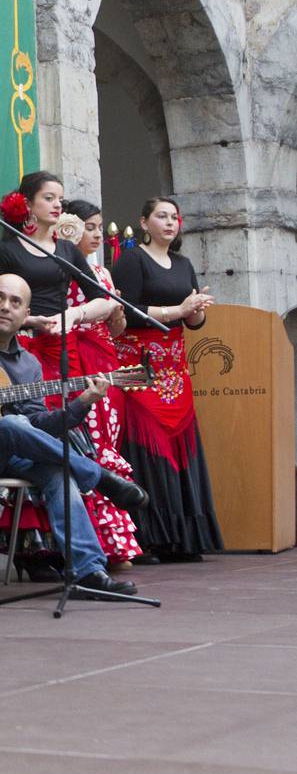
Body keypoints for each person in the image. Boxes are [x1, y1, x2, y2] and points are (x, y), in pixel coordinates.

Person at [0, 274, 148, 597]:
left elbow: (37, 425)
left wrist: (81, 404)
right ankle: (100, 477)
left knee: (56, 469)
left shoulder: (28, 365)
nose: (5, 307)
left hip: (10, 454)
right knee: (12, 425)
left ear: (25, 313)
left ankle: (87, 573)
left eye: (15, 302)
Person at [0, 171, 115, 580]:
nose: (58, 205)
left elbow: (102, 302)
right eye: (49, 198)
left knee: (65, 438)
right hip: (20, 355)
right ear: (28, 204)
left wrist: (69, 316)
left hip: (60, 353)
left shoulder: (68, 252)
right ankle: (34, 554)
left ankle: (73, 552)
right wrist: (27, 319)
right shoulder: (8, 251)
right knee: (34, 444)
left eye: (61, 199)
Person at [111, 196, 222, 562]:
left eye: (174, 217)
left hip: (175, 369)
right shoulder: (132, 259)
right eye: (162, 216)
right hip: (140, 369)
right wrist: (178, 309)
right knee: (147, 448)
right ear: (144, 223)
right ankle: (147, 539)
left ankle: (184, 539)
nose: (170, 222)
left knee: (180, 449)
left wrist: (196, 312)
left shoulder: (184, 263)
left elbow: (193, 321)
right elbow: (126, 312)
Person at [60, 199, 144, 569]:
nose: (95, 234)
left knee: (107, 440)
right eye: (88, 227)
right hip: (75, 360)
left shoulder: (104, 275)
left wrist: (118, 313)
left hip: (105, 360)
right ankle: (93, 544)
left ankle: (114, 542)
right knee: (85, 443)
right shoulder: (60, 269)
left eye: (98, 227)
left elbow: (117, 330)